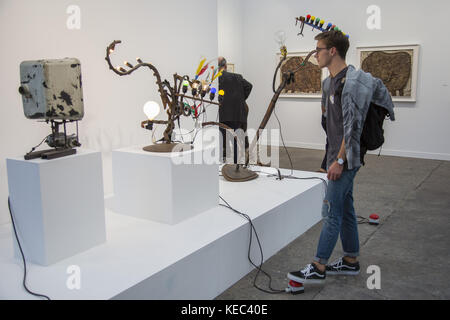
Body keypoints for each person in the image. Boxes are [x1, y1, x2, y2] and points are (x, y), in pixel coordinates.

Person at [288, 30, 394, 284]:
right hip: (335, 155)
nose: (315, 55)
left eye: (318, 49)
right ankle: (350, 261)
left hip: (347, 158)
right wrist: (330, 157)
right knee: (346, 209)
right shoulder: (328, 83)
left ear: (332, 51)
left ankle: (318, 265)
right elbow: (331, 123)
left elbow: (353, 127)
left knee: (330, 211)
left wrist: (341, 160)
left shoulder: (353, 83)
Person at [218, 57, 252, 163]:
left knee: (222, 139)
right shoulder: (237, 77)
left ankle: (223, 164)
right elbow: (249, 86)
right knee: (236, 139)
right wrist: (240, 100)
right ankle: (237, 165)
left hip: (222, 114)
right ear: (226, 66)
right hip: (237, 114)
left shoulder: (216, 79)